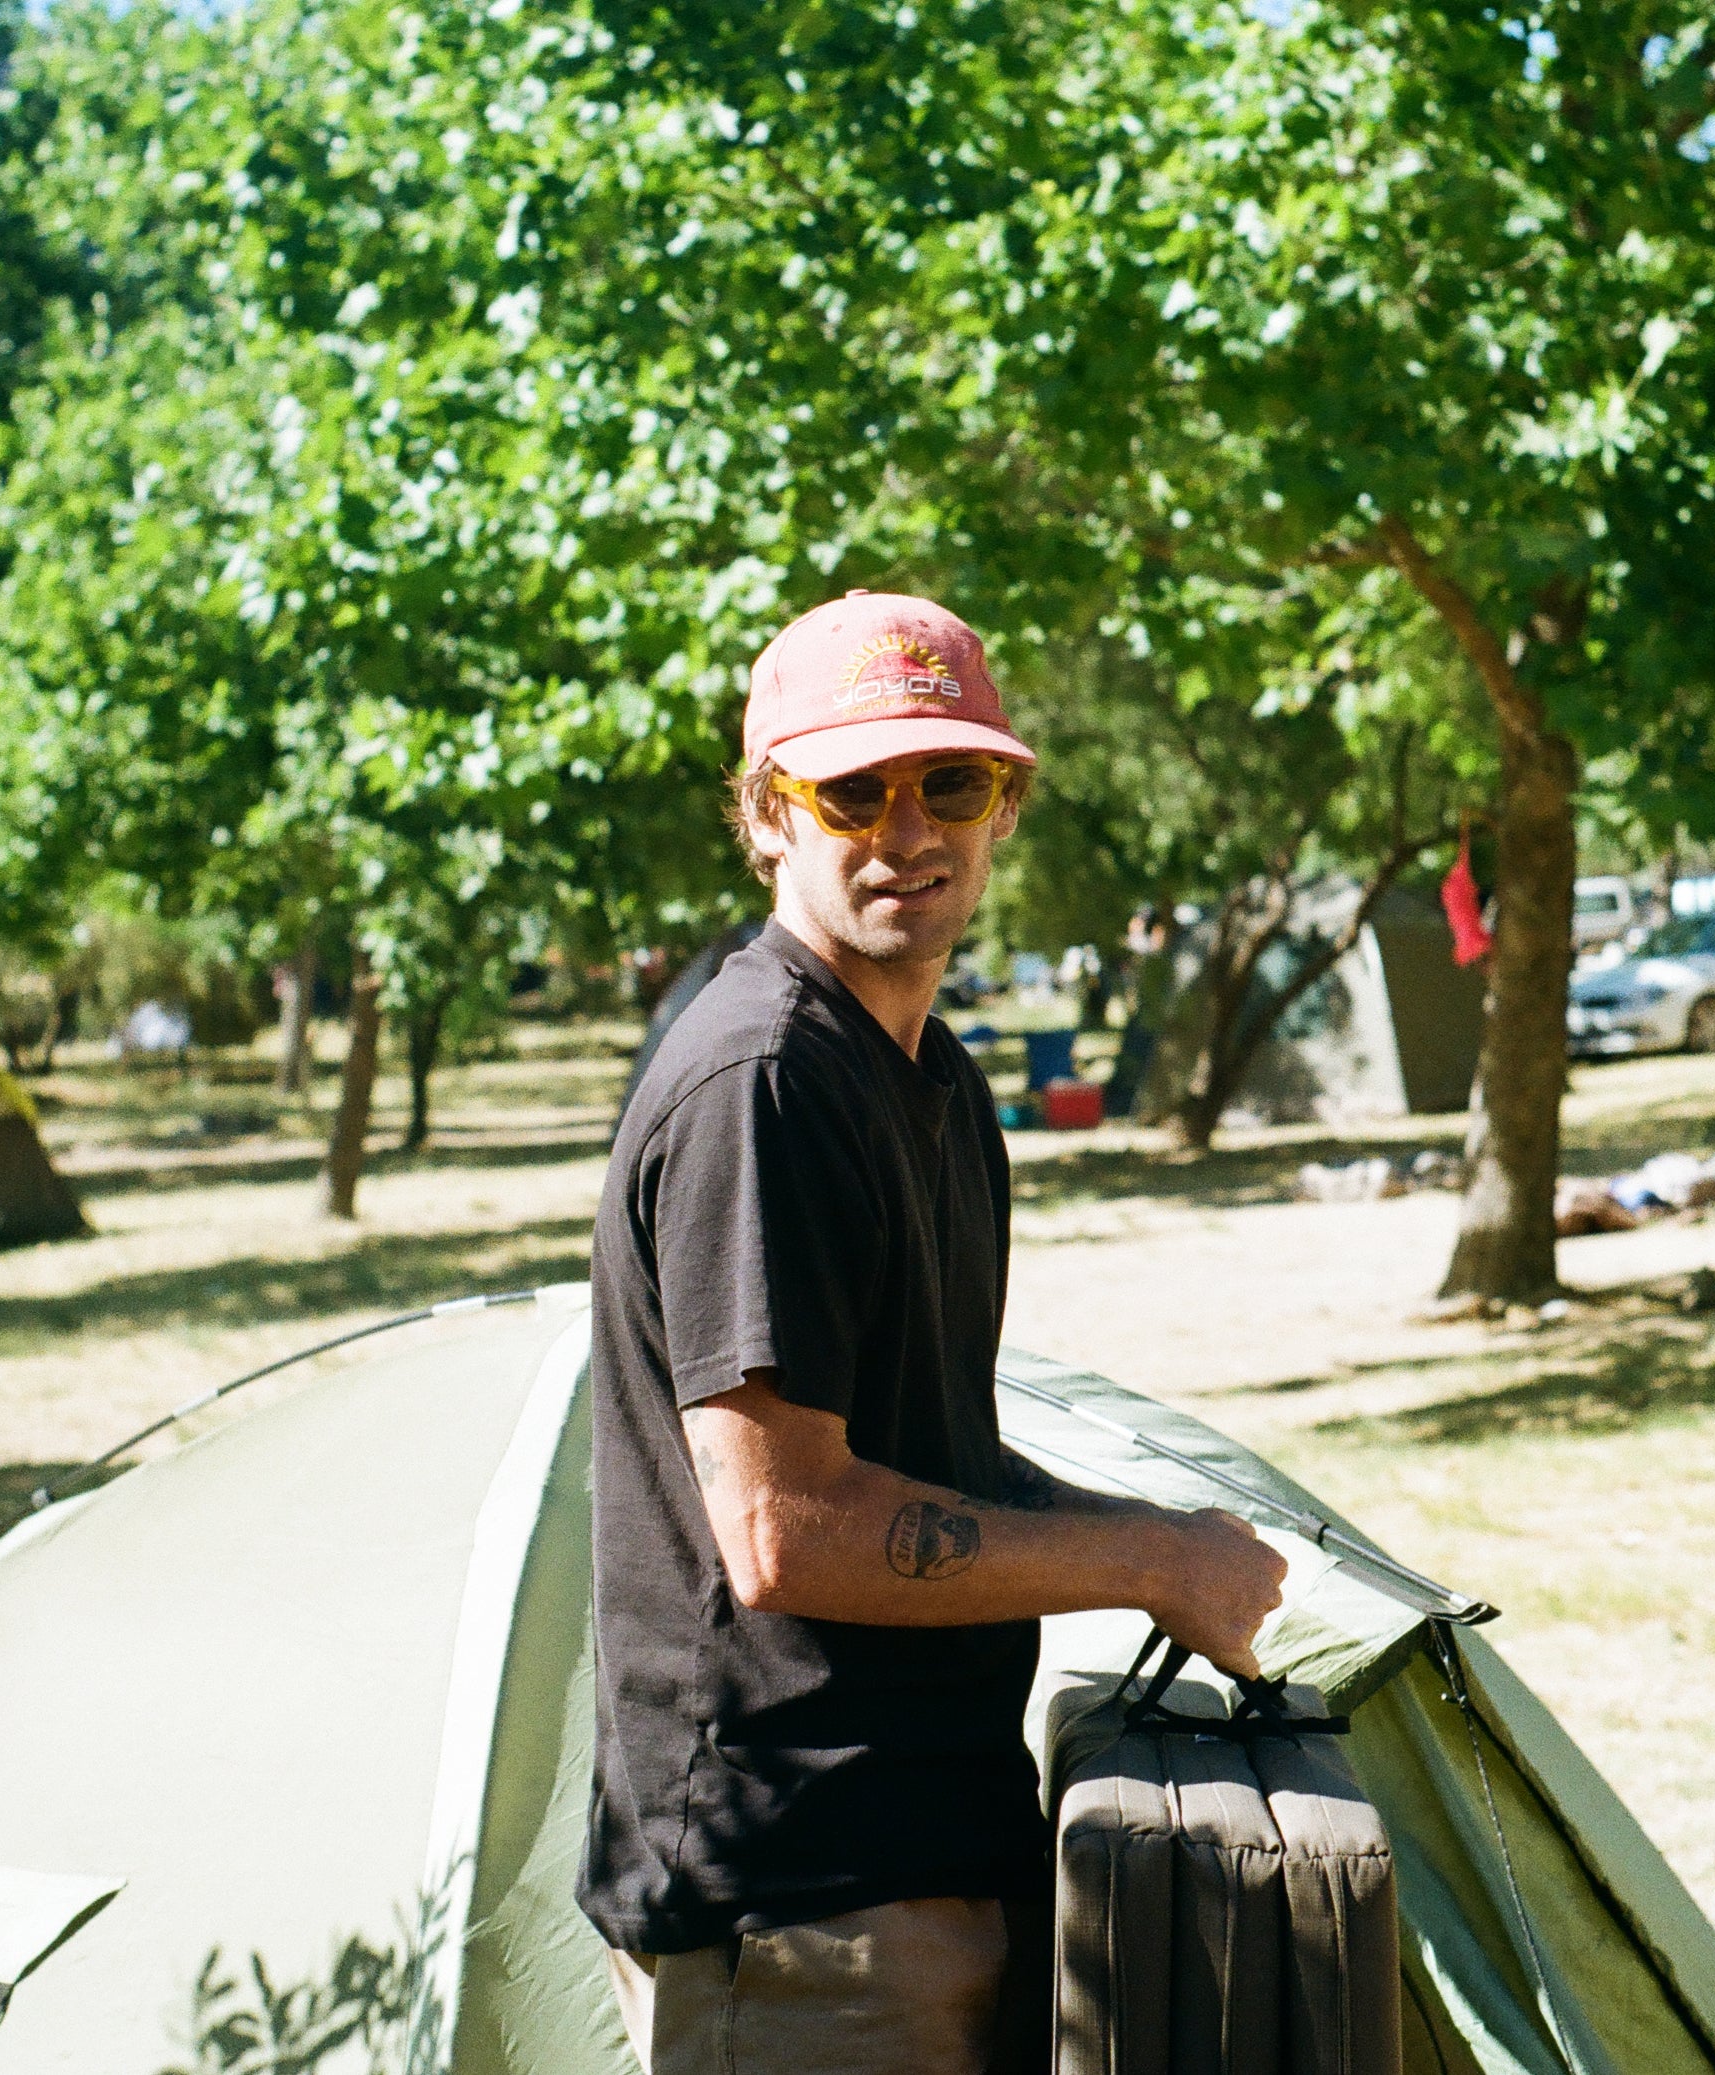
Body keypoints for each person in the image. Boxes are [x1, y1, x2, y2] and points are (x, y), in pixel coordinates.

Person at [581, 590, 1291, 2075]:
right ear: (764, 816)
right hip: (797, 1899)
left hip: (924, 1850)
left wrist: (1168, 1534)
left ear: (1005, 807)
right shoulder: (758, 1082)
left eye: (950, 781)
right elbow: (789, 1529)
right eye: (852, 787)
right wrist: (1150, 1563)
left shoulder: (933, 1079)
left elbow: (928, 1458)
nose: (908, 828)